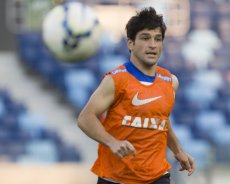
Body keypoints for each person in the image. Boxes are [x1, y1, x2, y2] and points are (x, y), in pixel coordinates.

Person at [77, 7, 195, 184]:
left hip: (157, 177)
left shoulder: (170, 82)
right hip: (116, 179)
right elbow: (85, 119)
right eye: (145, 38)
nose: (153, 45)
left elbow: (160, 119)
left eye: (158, 39)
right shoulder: (116, 80)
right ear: (130, 43)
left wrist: (178, 150)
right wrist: (112, 142)